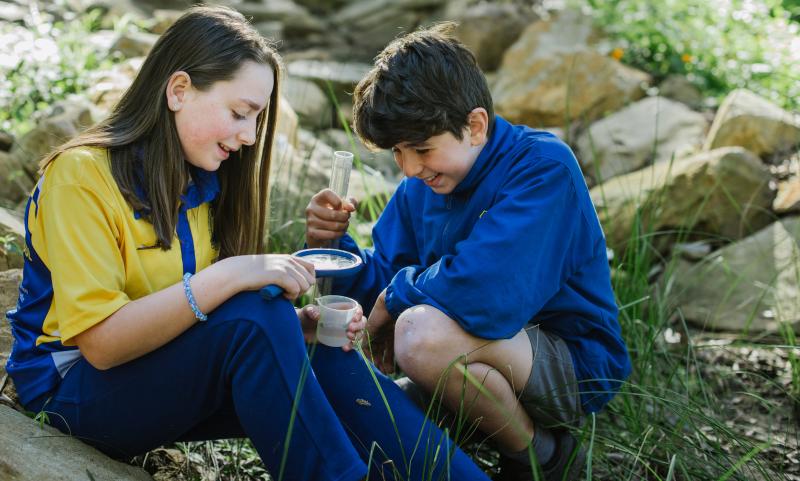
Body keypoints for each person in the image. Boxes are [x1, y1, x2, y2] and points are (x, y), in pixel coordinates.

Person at [4, 7, 492, 481]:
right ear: (178, 90)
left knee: (316, 348)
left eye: (257, 119)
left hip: (151, 378)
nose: (249, 136)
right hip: (70, 395)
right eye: (240, 113)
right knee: (254, 319)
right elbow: (103, 346)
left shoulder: (199, 185)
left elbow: (206, 324)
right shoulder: (81, 176)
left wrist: (291, 328)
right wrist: (232, 276)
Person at [305, 23, 632, 481]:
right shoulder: (419, 187)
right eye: (397, 152)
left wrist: (396, 299)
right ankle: (479, 434)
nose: (410, 167)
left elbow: (485, 294)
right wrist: (331, 245)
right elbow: (379, 289)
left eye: (421, 148)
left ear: (475, 126)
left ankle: (542, 457)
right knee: (363, 410)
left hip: (570, 365)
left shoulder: (542, 168)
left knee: (420, 334)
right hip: (473, 360)